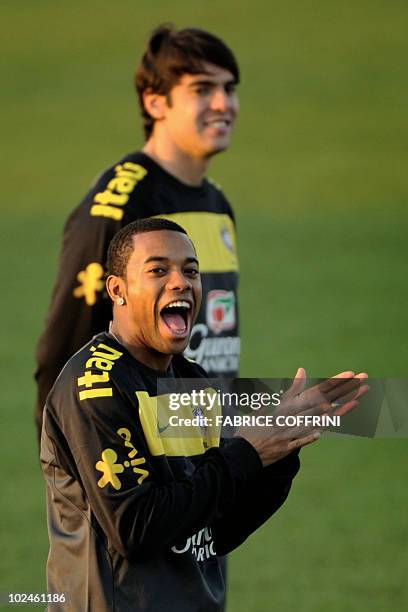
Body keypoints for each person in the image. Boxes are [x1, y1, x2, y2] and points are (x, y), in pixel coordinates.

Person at [41, 218, 368, 612]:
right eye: (159, 270)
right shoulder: (95, 385)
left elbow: (215, 528)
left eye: (191, 271)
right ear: (118, 290)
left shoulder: (190, 378)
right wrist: (248, 451)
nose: (181, 282)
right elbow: (135, 529)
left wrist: (280, 448)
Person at [35, 25, 241, 442]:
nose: (224, 104)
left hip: (199, 452)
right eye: (202, 89)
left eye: (229, 88)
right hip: (136, 470)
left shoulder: (217, 203)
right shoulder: (119, 205)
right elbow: (63, 354)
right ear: (155, 101)